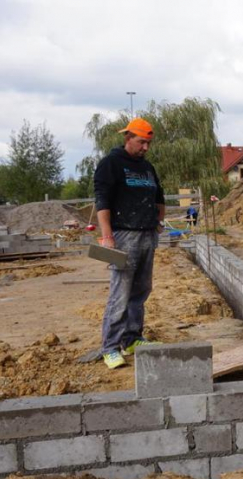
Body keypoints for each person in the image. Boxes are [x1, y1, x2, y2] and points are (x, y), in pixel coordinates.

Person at [94, 118, 165, 369]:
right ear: (128, 139)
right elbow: (102, 201)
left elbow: (159, 197)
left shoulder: (147, 167)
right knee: (120, 293)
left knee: (141, 290)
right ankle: (110, 347)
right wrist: (107, 236)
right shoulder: (111, 164)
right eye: (141, 142)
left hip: (147, 235)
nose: (145, 147)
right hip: (124, 236)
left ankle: (132, 338)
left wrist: (158, 222)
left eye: (148, 143)